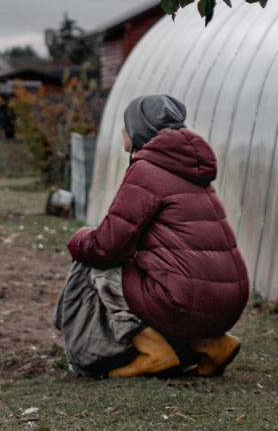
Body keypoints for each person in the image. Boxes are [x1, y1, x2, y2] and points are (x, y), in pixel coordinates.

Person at [54, 94, 250, 378]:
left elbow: (108, 247)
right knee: (165, 276)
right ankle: (214, 343)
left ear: (137, 131)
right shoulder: (191, 169)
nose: (122, 131)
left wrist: (79, 238)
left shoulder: (148, 170)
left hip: (187, 302)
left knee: (102, 270)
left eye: (126, 125)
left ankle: (154, 352)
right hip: (229, 301)